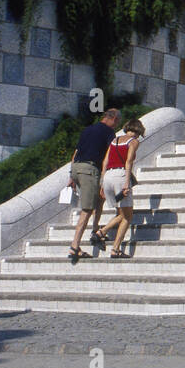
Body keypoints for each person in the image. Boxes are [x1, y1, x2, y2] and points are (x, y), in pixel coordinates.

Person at [67, 107, 120, 261]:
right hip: (89, 170)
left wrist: (71, 176)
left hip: (77, 168)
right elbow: (108, 156)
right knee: (87, 209)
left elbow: (76, 153)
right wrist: (104, 178)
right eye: (117, 122)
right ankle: (74, 246)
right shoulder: (109, 133)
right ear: (114, 119)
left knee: (99, 199)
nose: (117, 125)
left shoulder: (88, 130)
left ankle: (95, 229)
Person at [94, 119, 145, 258]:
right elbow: (128, 162)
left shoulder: (114, 140)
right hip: (120, 176)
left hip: (108, 176)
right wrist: (126, 183)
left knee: (121, 213)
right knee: (127, 216)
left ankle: (105, 237)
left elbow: (105, 161)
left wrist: (102, 182)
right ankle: (106, 238)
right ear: (138, 131)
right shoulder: (133, 141)